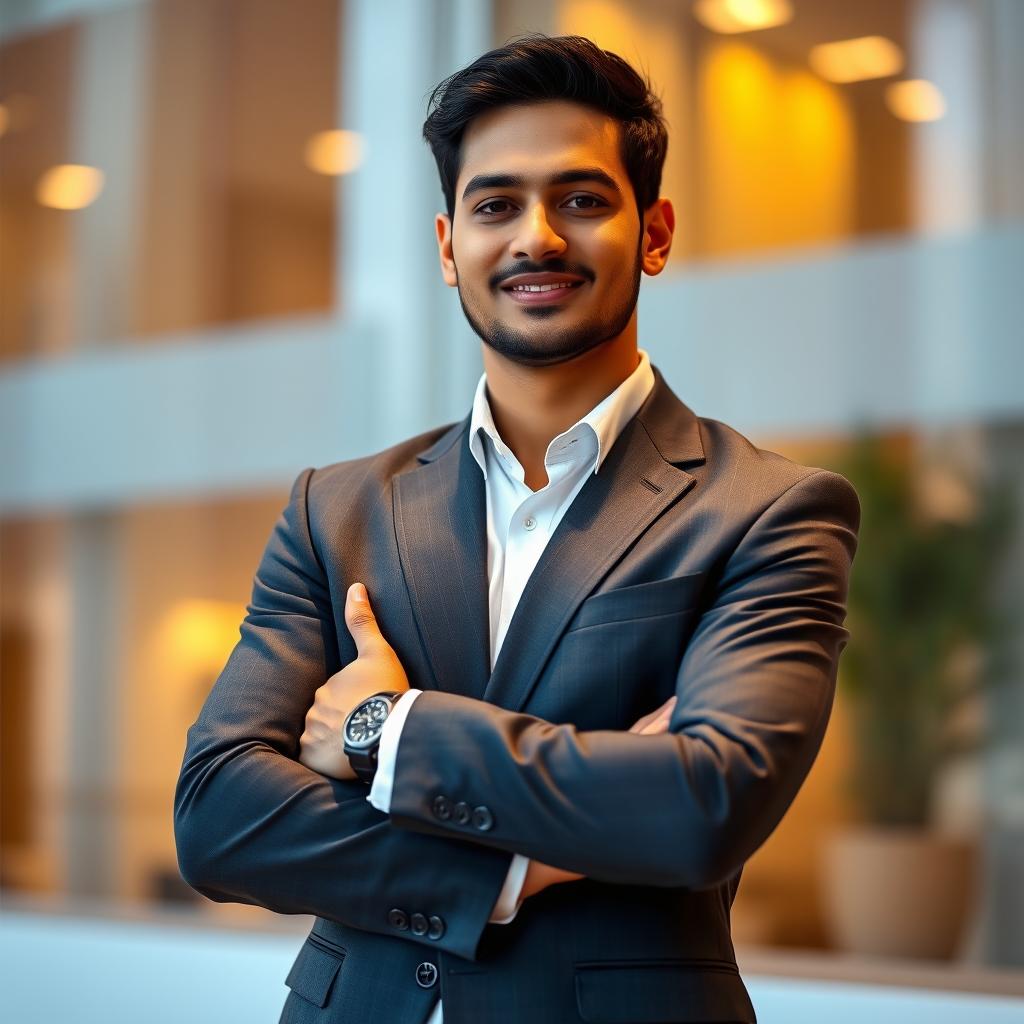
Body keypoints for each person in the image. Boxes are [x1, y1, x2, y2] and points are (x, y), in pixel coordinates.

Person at [174, 34, 860, 1024]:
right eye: (495, 205)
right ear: (450, 248)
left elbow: (704, 803)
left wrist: (382, 730)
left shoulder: (766, 509)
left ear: (654, 232)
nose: (535, 236)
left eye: (581, 200)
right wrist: (516, 867)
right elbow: (220, 819)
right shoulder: (336, 508)